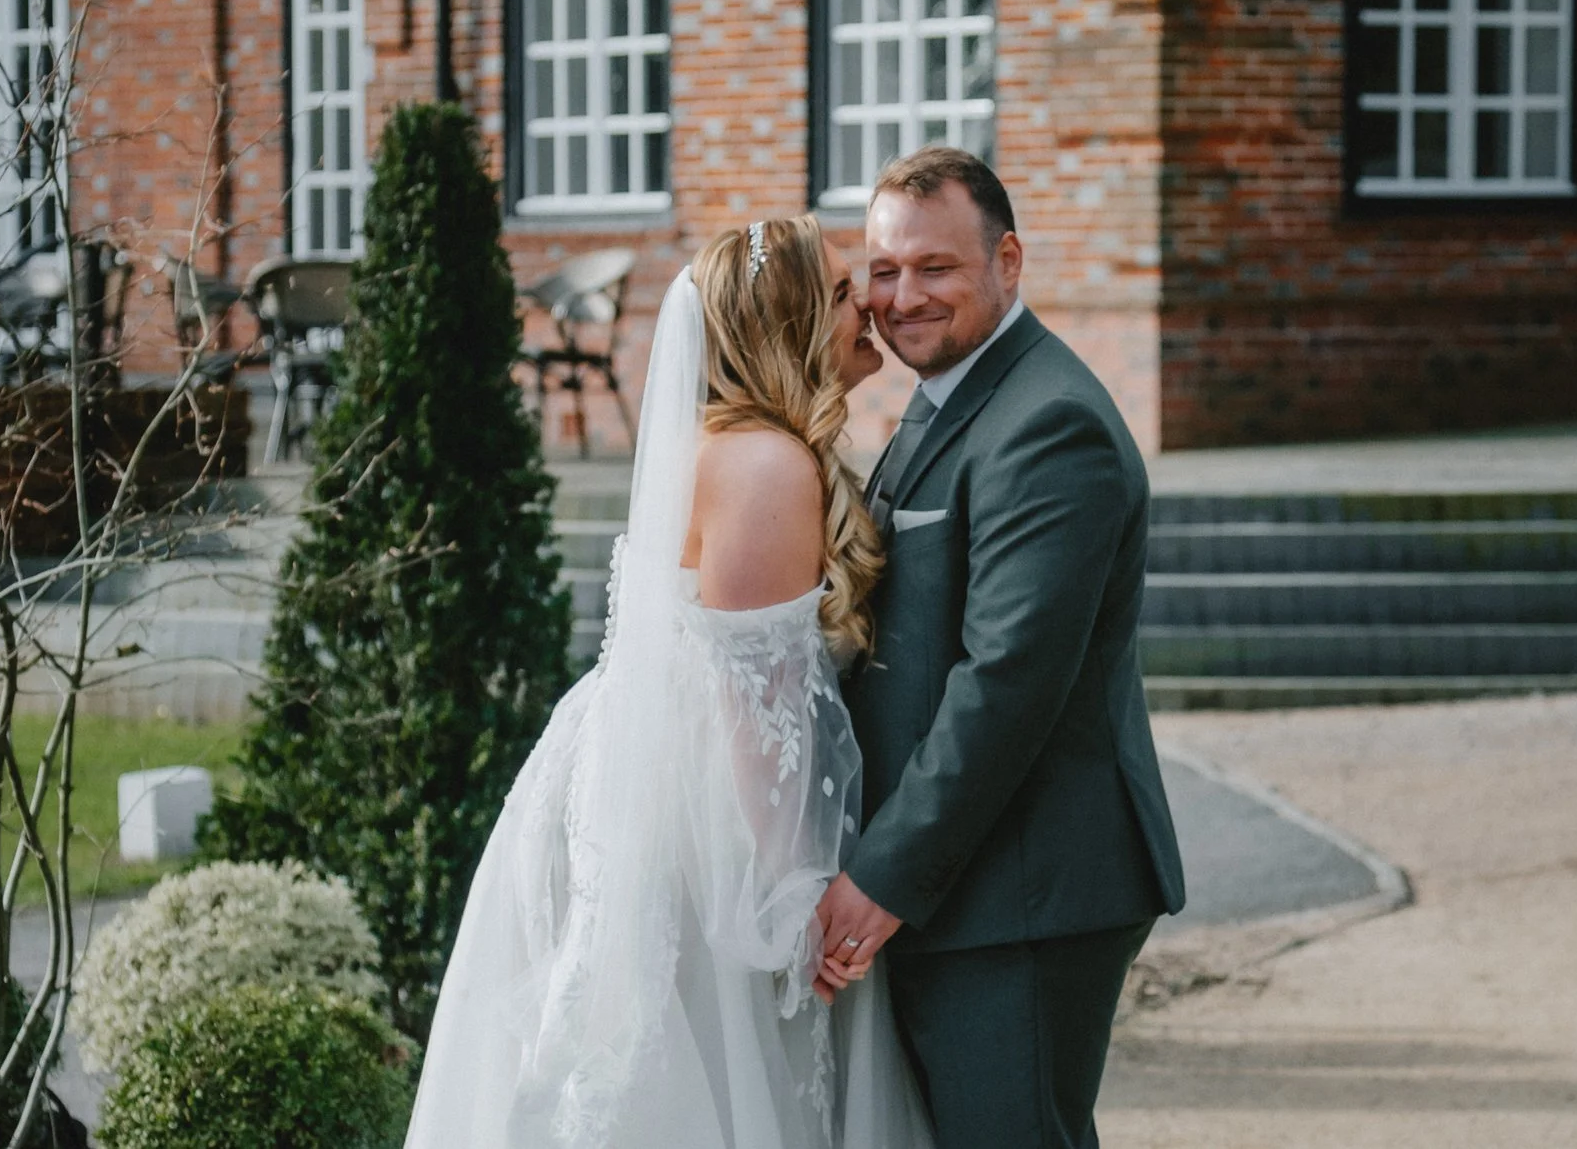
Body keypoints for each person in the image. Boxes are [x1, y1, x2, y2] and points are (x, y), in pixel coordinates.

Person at [402, 216, 934, 1148]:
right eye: (848, 290)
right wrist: (788, 900)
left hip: (654, 783)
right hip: (702, 833)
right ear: (794, 320)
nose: (873, 307)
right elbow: (750, 707)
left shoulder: (746, 446)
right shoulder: (765, 465)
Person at [811, 146, 1187, 1148]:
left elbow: (1005, 682)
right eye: (883, 272)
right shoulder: (951, 399)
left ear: (1007, 261)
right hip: (976, 881)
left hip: (1022, 887)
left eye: (934, 267)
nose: (901, 297)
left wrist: (882, 875)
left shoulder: (1045, 422)